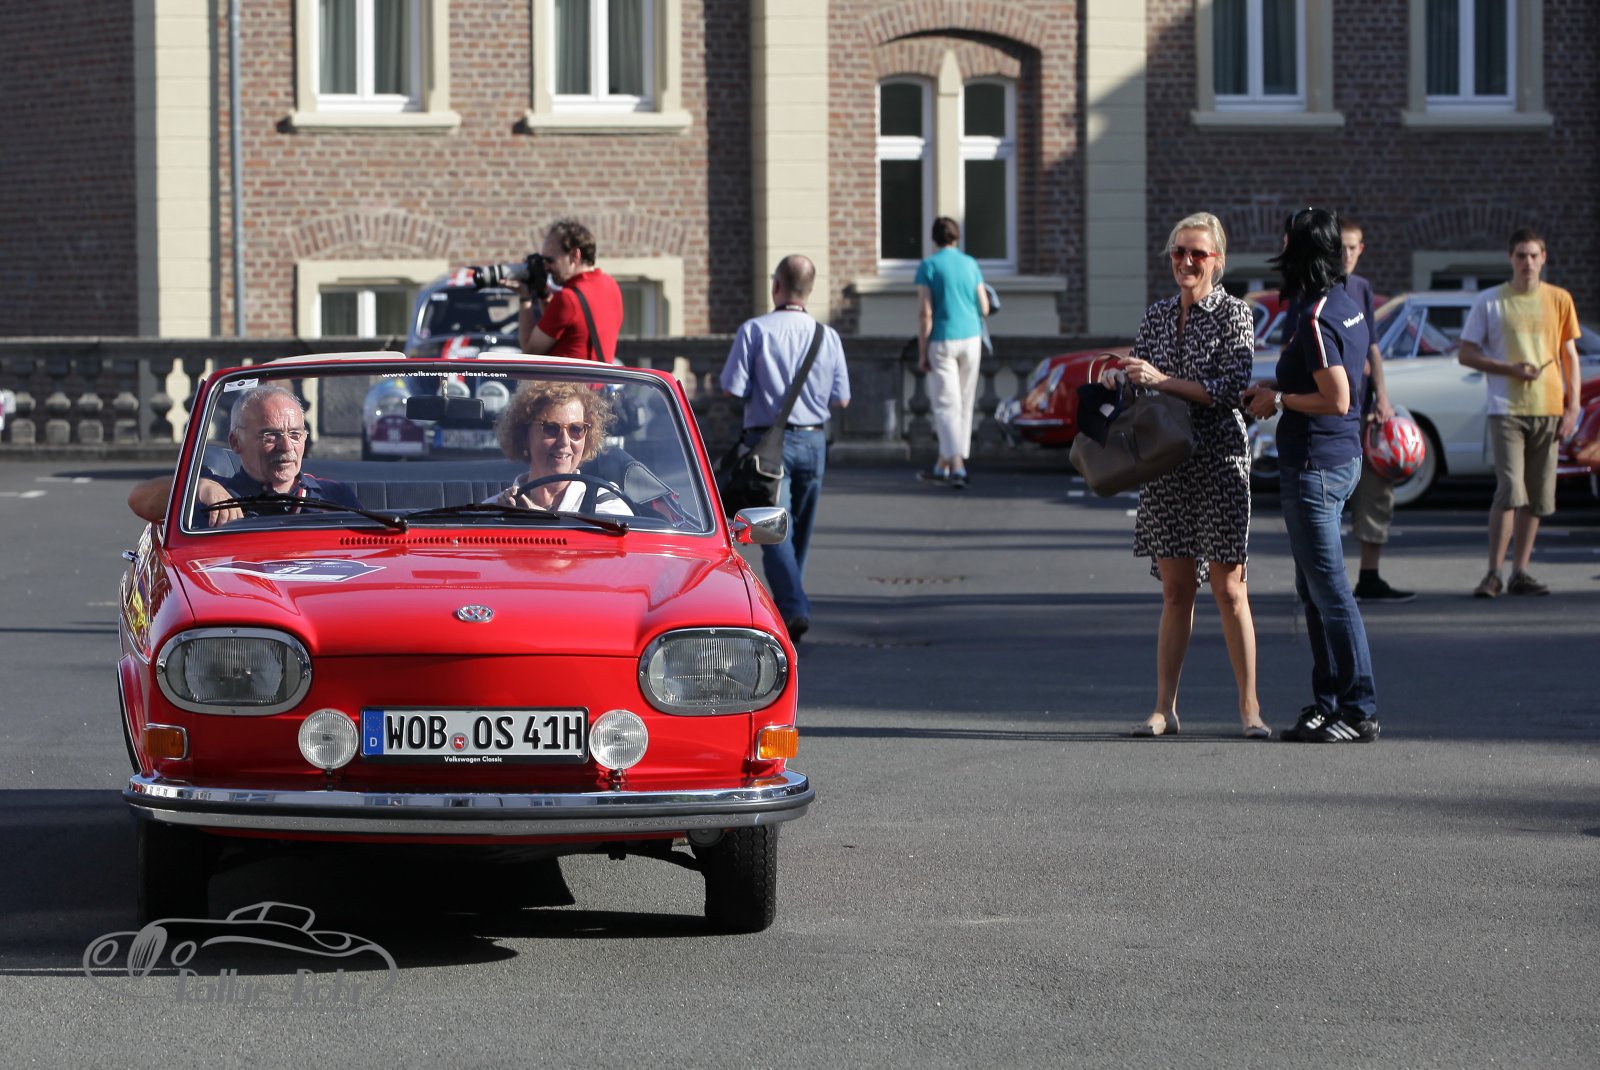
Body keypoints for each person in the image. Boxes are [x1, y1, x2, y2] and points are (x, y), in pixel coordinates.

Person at [1101, 212, 1269, 740]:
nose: (1187, 262)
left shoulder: (1235, 314)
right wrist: (1122, 379)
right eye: (1179, 252)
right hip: (1166, 463)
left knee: (1229, 589)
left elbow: (1232, 389)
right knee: (1175, 592)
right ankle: (1163, 708)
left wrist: (1163, 379)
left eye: (1198, 253)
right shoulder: (1156, 315)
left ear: (1218, 261)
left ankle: (1250, 710)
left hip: (1219, 459)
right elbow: (1144, 386)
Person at [1244, 207, 1380, 743]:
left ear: (1298, 251)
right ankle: (1327, 703)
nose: (1280, 246)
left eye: (1286, 240)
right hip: (1339, 459)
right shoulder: (1346, 303)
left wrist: (1278, 400)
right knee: (1316, 590)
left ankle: (1358, 711)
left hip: (1315, 466)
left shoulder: (1317, 316)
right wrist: (1276, 391)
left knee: (1331, 593)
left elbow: (1337, 397)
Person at [719, 254, 851, 642]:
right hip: (813, 440)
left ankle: (792, 607)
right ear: (809, 290)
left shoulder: (754, 331)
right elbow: (842, 398)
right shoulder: (828, 336)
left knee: (774, 529)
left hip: (766, 443)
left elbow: (732, 387)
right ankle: (792, 602)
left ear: (776, 285)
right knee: (799, 530)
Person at [1457, 228, 1582, 598]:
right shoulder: (1490, 301)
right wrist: (1509, 369)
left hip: (1549, 407)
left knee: (1538, 496)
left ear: (1544, 258)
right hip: (1506, 408)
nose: (1527, 262)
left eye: (1533, 255)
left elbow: (1569, 356)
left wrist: (1573, 406)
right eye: (1521, 256)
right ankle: (1493, 572)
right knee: (1511, 489)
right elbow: (1466, 353)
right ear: (1510, 259)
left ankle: (1520, 572)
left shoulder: (1559, 299)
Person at [127, 386, 359, 525]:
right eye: (270, 435)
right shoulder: (217, 494)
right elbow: (139, 500)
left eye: (295, 434)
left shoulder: (334, 495)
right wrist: (198, 487)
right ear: (236, 443)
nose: (286, 446)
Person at [1340, 219, 1414, 603]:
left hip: (1364, 414)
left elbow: (1372, 347)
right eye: (1340, 246)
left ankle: (1369, 578)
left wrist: (1382, 397)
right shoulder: (1311, 288)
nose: (1346, 254)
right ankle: (1320, 585)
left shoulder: (1362, 288)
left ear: (1361, 250)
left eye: (1352, 247)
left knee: (1376, 493)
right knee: (1324, 503)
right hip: (1329, 415)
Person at [915, 216, 989, 488]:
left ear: (934, 239)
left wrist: (922, 352)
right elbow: (984, 307)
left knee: (947, 405)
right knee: (965, 403)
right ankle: (942, 465)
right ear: (957, 237)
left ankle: (957, 467)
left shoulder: (929, 265)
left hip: (943, 338)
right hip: (971, 338)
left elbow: (925, 313)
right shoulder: (970, 264)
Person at [488, 382, 632, 516]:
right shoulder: (491, 512)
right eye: (551, 428)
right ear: (524, 436)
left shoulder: (606, 503)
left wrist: (536, 515)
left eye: (576, 429)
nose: (564, 441)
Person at [516, 219, 624, 364]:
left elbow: (529, 351)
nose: (546, 268)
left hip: (565, 379)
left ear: (574, 255)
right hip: (598, 378)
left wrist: (525, 297)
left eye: (550, 260)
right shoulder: (611, 285)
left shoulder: (568, 299)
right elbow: (563, 324)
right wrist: (543, 293)